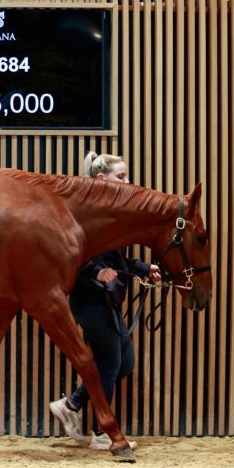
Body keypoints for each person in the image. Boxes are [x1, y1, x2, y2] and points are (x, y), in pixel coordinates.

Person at [49, 151, 161, 450]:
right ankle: (101, 433)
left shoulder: (110, 212)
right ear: (102, 179)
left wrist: (140, 267)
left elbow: (116, 257)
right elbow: (74, 253)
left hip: (108, 299)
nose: (128, 181)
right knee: (110, 361)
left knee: (124, 363)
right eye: (121, 176)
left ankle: (72, 404)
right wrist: (96, 273)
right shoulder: (84, 213)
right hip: (89, 299)